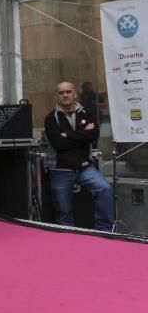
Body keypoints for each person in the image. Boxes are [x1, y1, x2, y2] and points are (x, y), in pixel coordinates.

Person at [44, 81, 115, 231]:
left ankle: (104, 231)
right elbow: (59, 144)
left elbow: (94, 135)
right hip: (60, 170)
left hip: (85, 168)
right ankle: (68, 238)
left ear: (75, 94)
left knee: (104, 188)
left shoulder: (87, 113)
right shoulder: (51, 118)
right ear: (56, 96)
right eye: (61, 92)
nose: (65, 95)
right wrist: (83, 136)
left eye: (68, 92)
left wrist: (68, 134)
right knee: (63, 211)